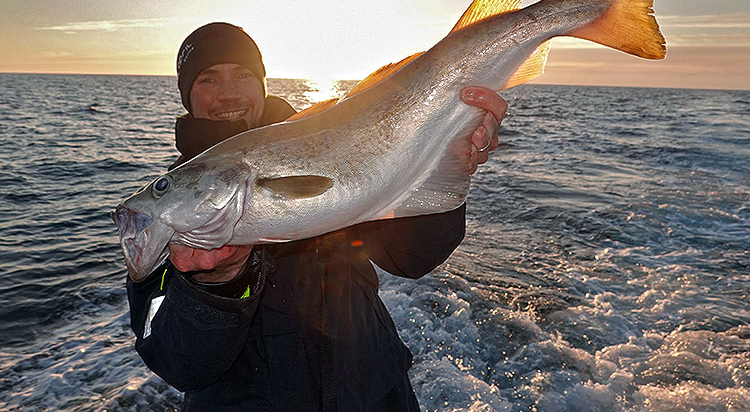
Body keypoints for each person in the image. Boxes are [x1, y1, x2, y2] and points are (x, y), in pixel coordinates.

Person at [126, 22, 508, 411]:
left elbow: (414, 257)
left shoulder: (336, 147)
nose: (228, 92)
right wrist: (216, 285)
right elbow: (180, 363)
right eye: (208, 79)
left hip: (374, 396)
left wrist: (446, 161)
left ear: (262, 83)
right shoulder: (170, 211)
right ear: (187, 95)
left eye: (242, 74)